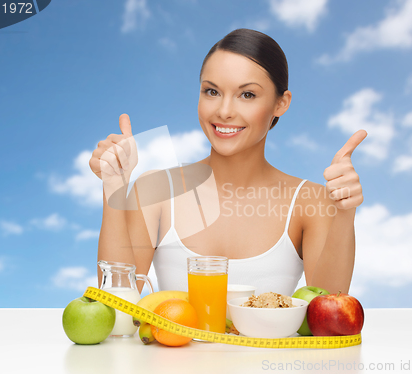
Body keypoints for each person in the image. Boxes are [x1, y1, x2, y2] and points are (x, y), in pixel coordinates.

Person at [89, 29, 366, 296]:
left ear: (281, 104)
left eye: (247, 95)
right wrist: (114, 185)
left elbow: (329, 313)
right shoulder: (156, 191)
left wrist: (345, 212)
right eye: (212, 92)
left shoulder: (311, 202)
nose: (224, 111)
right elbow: (117, 309)